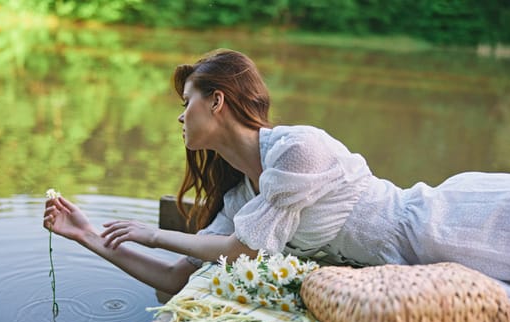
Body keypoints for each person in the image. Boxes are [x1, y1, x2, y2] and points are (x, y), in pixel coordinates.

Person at [43, 48, 510, 299]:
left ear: (217, 101)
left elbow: (242, 250)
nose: (181, 117)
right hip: (412, 281)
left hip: (444, 231)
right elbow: (177, 279)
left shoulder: (297, 149)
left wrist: (153, 233)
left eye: (187, 102)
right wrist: (87, 236)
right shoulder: (243, 199)